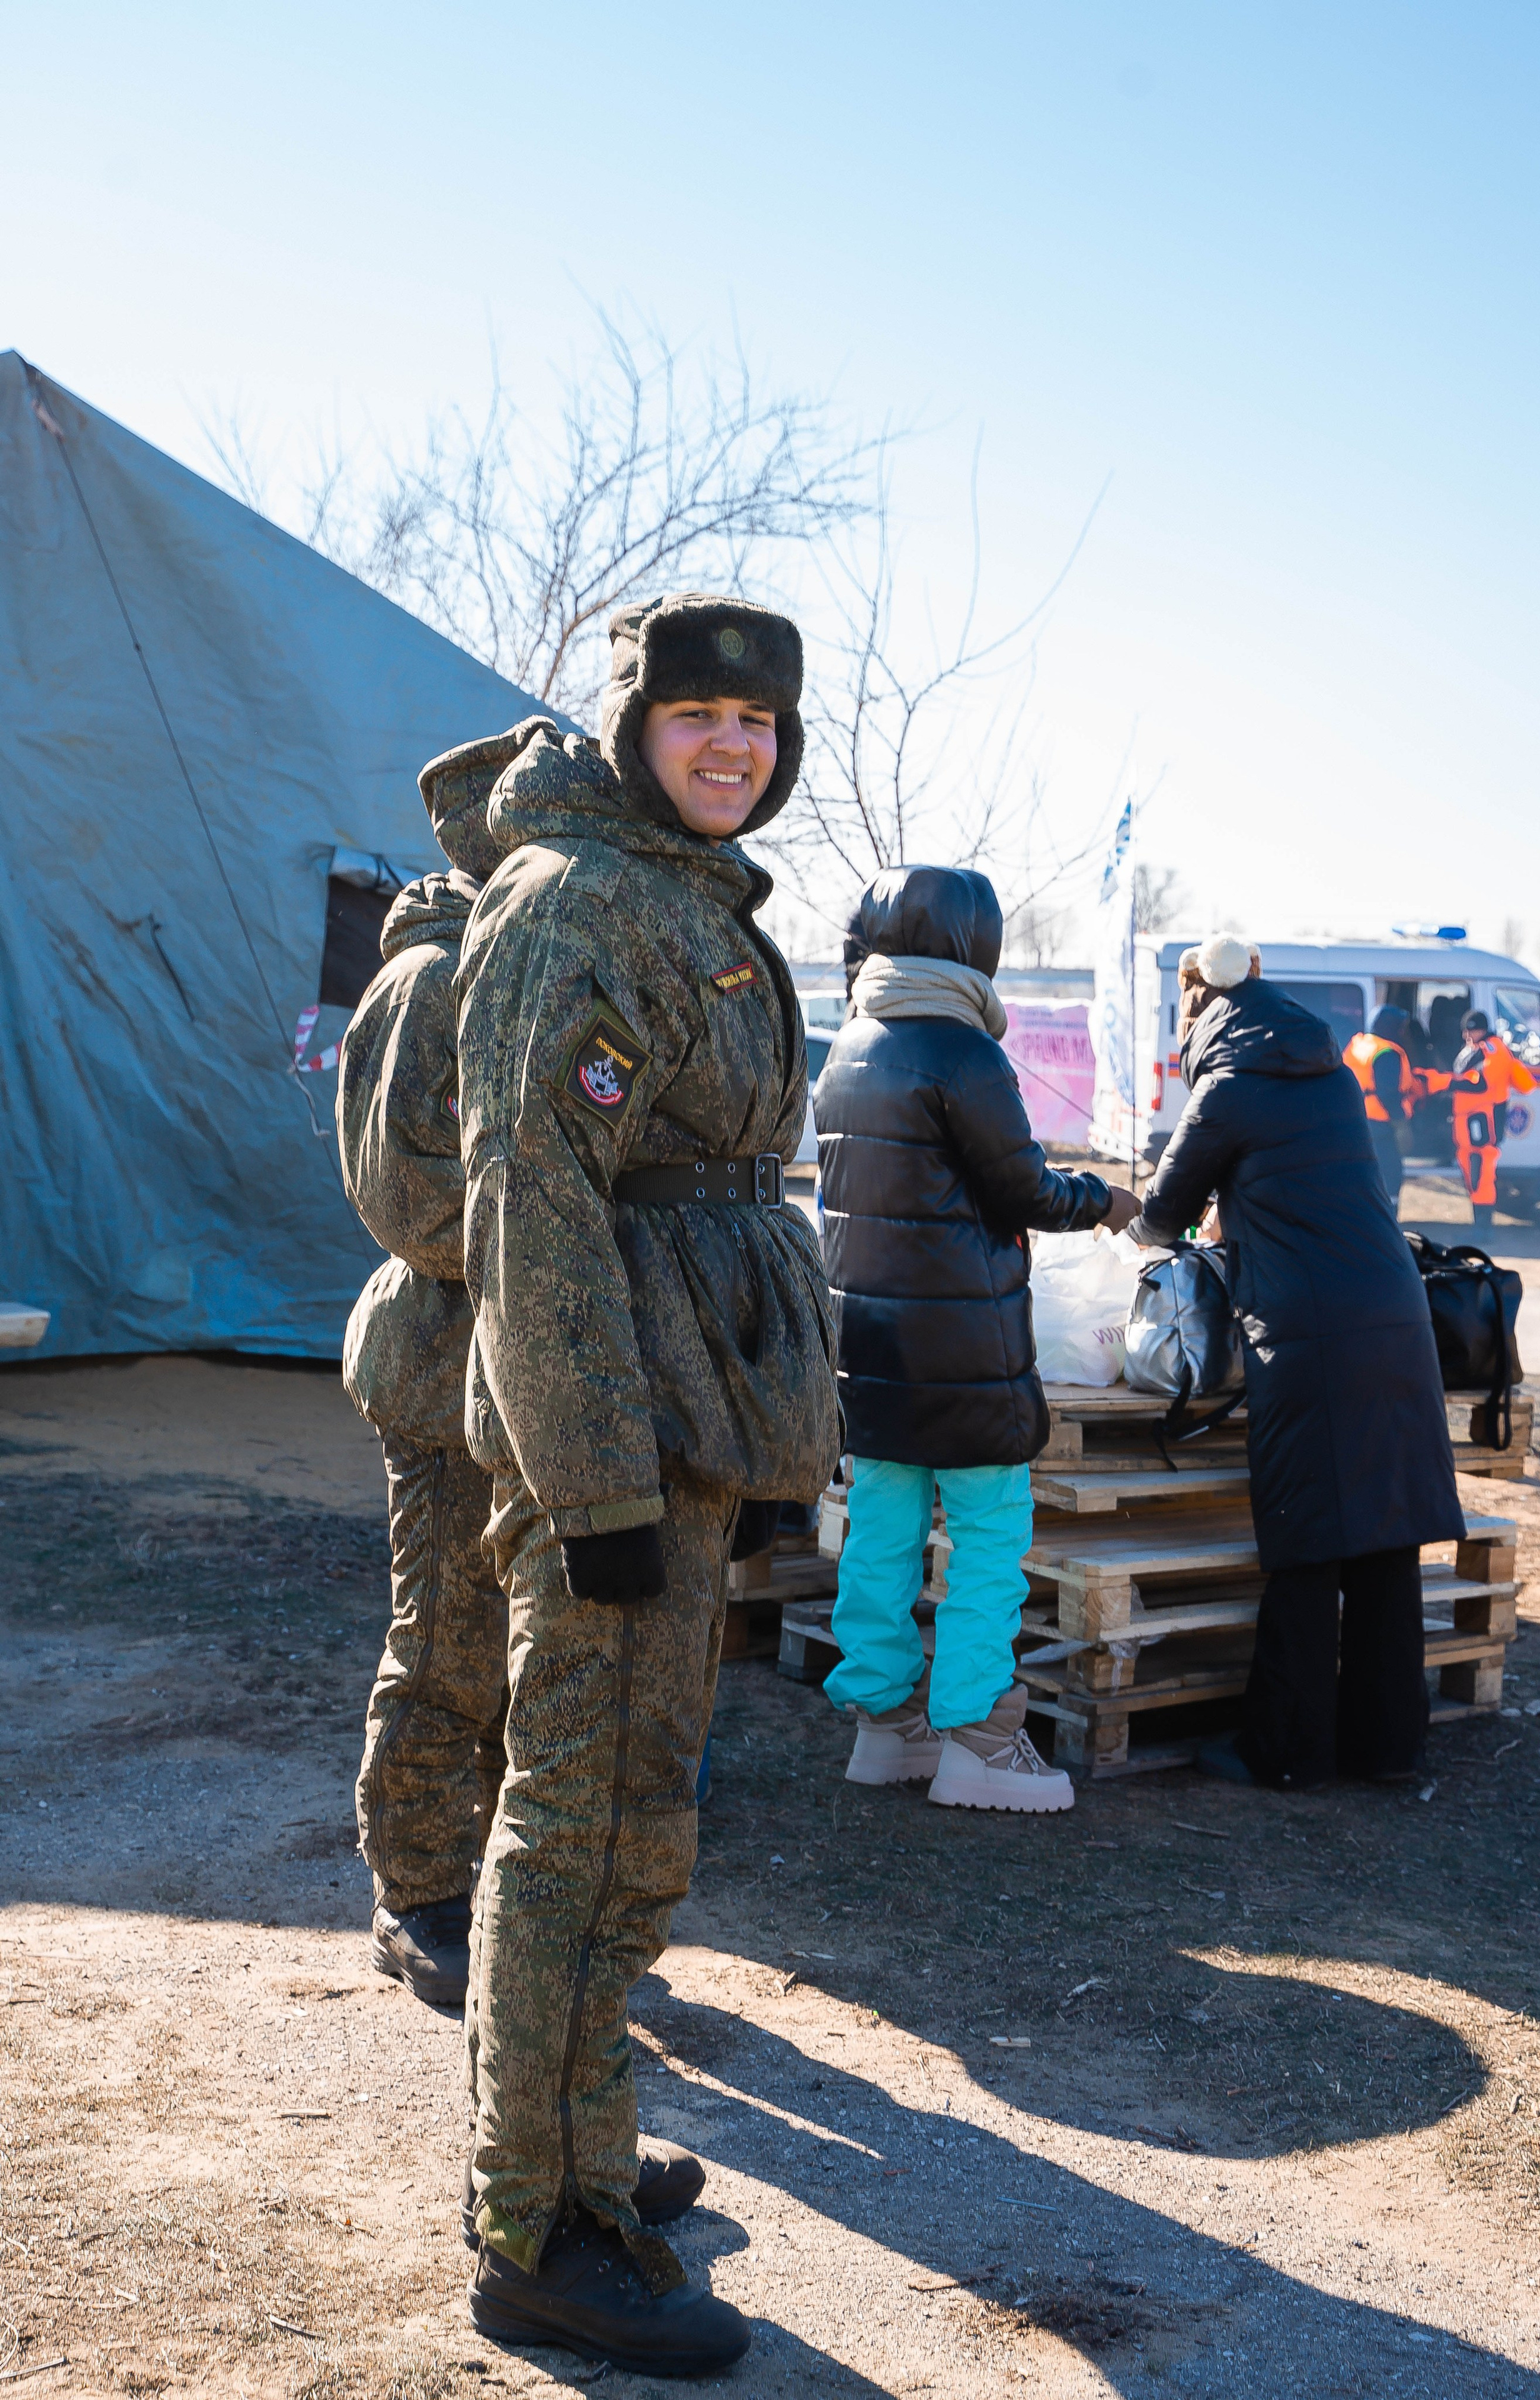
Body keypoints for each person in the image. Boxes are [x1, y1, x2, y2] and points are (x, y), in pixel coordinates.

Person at [453, 594, 839, 2374]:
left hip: (679, 1433)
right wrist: (601, 1492)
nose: (730, 750)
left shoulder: (680, 895)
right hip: (613, 1452)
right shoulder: (586, 904)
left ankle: (581, 2139)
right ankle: (541, 2230)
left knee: (639, 1826)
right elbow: (534, 1208)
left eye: (756, 728)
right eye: (695, 719)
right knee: (581, 1833)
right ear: (633, 730)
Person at [811, 865, 1140, 1814]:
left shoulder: (848, 1049)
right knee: (990, 1535)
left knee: (881, 1530)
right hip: (964, 1347)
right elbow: (1024, 1191)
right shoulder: (963, 1053)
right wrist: (1107, 1200)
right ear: (971, 945)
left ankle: (885, 1727)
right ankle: (980, 1741)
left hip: (867, 1342)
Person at [1128, 932, 1465, 1790]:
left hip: (1308, 1331)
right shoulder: (1329, 1071)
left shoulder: (1229, 1087)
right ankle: (1388, 1748)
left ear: (1197, 1003)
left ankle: (1288, 1752)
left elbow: (1162, 1216)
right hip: (1395, 1313)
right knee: (1387, 1538)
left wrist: (1124, 1224)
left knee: (1308, 1541)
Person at [338, 728, 527, 2008]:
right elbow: (404, 1197)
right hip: (440, 1364)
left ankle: (515, 1885)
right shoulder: (431, 974)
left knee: (529, 1649)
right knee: (448, 1637)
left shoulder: (543, 960)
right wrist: (561, 1238)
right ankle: (417, 1892)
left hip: (535, 1373)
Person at [1449, 1008, 1534, 1228]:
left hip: (1484, 1123)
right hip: (1473, 1122)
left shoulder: (1493, 1050)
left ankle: (1483, 1230)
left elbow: (1483, 1083)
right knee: (1475, 1175)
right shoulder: (1478, 1049)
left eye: (1470, 1031)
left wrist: (1446, 1082)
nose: (1466, 1036)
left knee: (1482, 1175)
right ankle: (1479, 1227)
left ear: (1481, 1030)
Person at [1342, 1003, 1423, 1211]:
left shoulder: (1359, 1045)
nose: (1403, 1031)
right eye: (1400, 1026)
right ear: (1388, 1026)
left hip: (1356, 1120)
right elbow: (1388, 1094)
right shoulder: (1386, 1052)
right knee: (1390, 1176)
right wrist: (1402, 1126)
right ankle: (1389, 1224)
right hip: (1381, 1126)